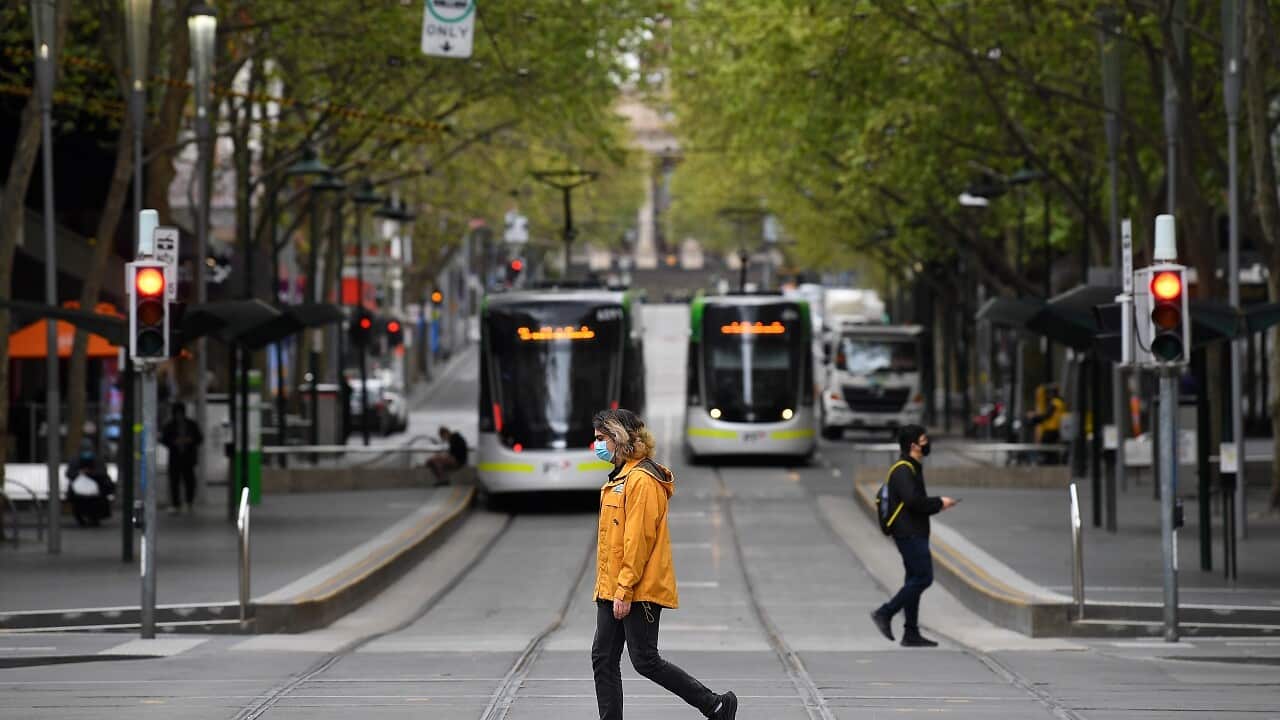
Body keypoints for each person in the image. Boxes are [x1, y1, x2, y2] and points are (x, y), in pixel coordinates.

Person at [591, 408, 737, 720]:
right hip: (612, 588)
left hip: (635, 589)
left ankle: (715, 705)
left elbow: (637, 541)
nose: (597, 445)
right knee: (603, 658)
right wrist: (610, 589)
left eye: (601, 438)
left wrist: (624, 589)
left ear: (619, 439)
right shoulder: (620, 477)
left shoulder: (642, 481)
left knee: (645, 659)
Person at [870, 424, 958, 648]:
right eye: (923, 440)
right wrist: (939, 502)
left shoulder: (912, 467)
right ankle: (885, 612)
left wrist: (938, 504)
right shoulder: (903, 469)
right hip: (908, 533)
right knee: (923, 577)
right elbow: (913, 501)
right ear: (913, 446)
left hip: (913, 531)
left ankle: (911, 632)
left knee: (913, 579)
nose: (927, 443)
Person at [160, 401, 203, 514]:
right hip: (175, 458)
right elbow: (164, 439)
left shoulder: (191, 424)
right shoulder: (170, 425)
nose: (179, 416)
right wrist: (174, 442)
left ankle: (189, 502)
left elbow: (199, 438)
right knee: (174, 482)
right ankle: (176, 504)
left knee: (190, 481)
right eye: (177, 413)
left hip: (188, 458)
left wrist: (190, 440)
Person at [65, 451, 115, 527]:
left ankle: (93, 519)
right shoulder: (76, 462)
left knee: (96, 505)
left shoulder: (98, 462)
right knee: (80, 505)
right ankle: (86, 519)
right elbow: (70, 473)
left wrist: (90, 473)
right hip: (80, 492)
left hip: (95, 493)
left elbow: (103, 475)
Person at [1026, 385, 1067, 465]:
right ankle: (1052, 461)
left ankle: (1048, 462)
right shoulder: (1061, 402)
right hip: (1057, 428)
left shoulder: (1055, 402)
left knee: (1045, 446)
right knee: (1051, 448)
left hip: (1051, 428)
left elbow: (1047, 415)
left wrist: (1034, 418)